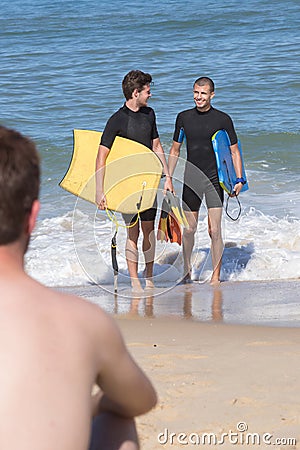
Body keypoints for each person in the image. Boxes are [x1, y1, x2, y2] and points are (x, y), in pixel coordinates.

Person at [0, 125, 157, 450]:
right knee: (119, 418)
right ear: (33, 217)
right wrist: (95, 404)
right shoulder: (81, 320)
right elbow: (142, 400)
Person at [96, 70, 173, 293]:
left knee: (148, 231)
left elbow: (157, 146)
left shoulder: (150, 114)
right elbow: (102, 155)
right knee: (133, 232)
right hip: (127, 186)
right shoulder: (116, 120)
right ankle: (134, 281)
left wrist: (167, 177)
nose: (150, 94)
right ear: (136, 92)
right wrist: (100, 191)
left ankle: (148, 277)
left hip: (148, 183)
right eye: (147, 91)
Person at [168, 77, 245, 285]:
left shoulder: (223, 119)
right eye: (195, 92)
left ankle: (216, 276)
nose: (198, 97)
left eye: (203, 93)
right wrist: (168, 177)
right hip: (191, 179)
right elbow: (175, 150)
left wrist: (238, 179)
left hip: (213, 180)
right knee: (189, 229)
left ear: (212, 94)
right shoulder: (183, 118)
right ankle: (186, 270)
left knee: (215, 230)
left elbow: (234, 151)